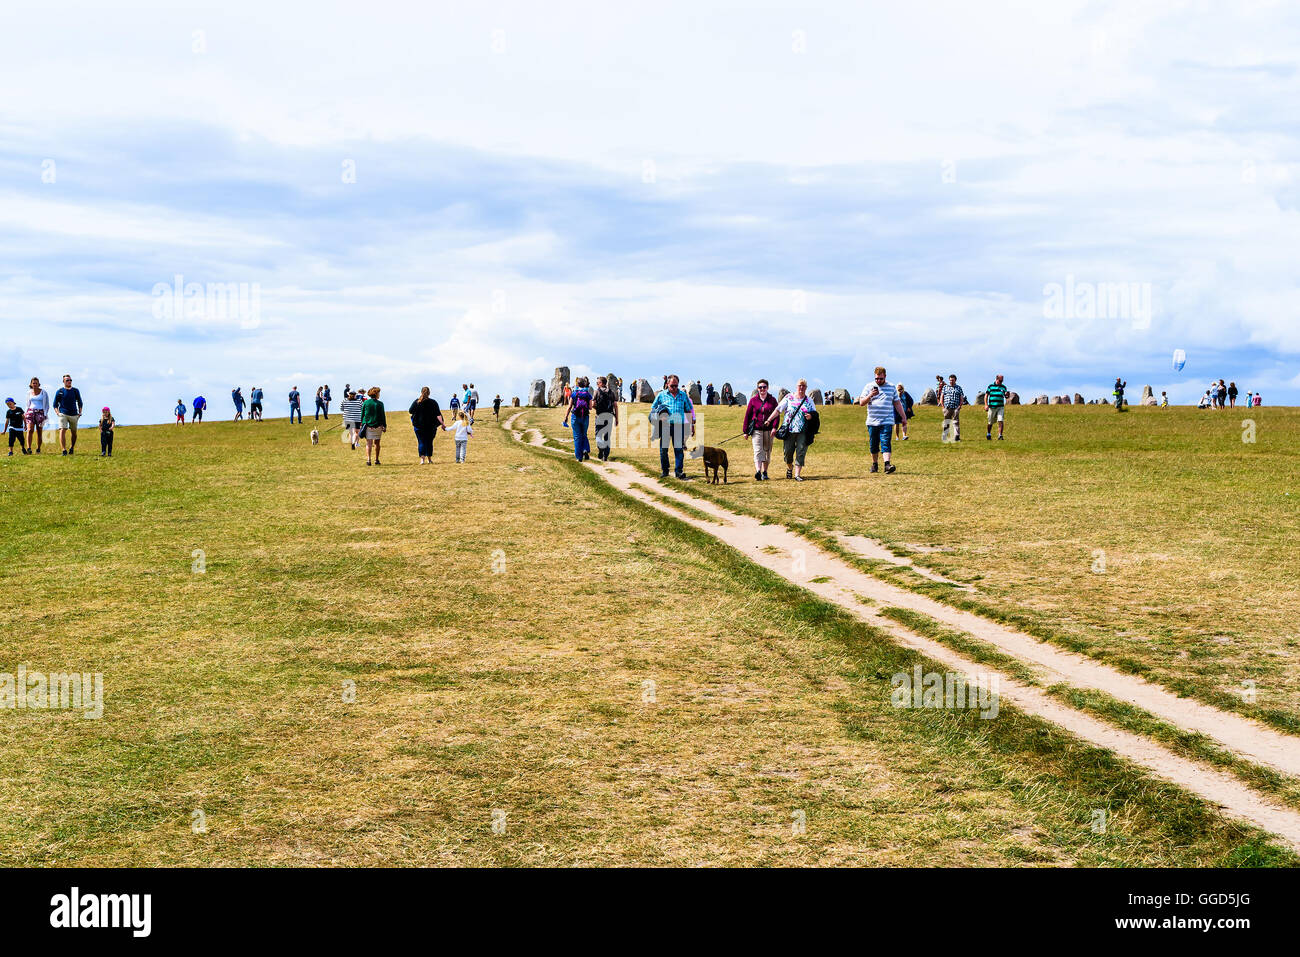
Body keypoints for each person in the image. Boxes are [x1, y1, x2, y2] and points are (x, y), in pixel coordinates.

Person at [857, 366, 907, 474]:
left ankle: (887, 465)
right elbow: (861, 403)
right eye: (876, 379)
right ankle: (874, 464)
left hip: (887, 421)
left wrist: (903, 417)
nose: (878, 381)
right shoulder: (868, 386)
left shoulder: (891, 387)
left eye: (881, 379)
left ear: (885, 376)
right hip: (872, 421)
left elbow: (897, 403)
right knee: (873, 444)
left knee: (886, 442)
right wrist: (871, 395)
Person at [766, 379, 816, 480]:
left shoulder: (809, 400)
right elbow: (778, 410)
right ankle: (790, 467)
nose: (801, 388)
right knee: (788, 452)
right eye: (799, 386)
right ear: (796, 386)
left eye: (803, 386)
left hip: (803, 431)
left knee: (801, 451)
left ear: (806, 388)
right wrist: (769, 420)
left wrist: (810, 416)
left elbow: (815, 415)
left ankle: (797, 475)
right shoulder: (789, 397)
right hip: (789, 430)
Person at [650, 374, 696, 479]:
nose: (674, 388)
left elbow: (688, 410)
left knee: (679, 450)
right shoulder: (661, 395)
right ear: (667, 384)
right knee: (663, 450)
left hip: (678, 426)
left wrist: (691, 426)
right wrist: (657, 419)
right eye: (672, 386)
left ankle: (679, 472)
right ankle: (665, 470)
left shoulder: (683, 395)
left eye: (676, 386)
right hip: (665, 426)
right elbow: (653, 408)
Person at [743, 379, 778, 480]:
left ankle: (765, 472)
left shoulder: (772, 400)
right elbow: (747, 415)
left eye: (764, 387)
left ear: (767, 388)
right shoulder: (753, 400)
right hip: (756, 430)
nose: (762, 389)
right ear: (757, 389)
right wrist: (745, 431)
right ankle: (758, 471)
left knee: (767, 452)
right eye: (760, 387)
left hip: (768, 430)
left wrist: (774, 427)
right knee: (758, 451)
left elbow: (777, 415)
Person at [409, 387, 444, 464]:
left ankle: (422, 460)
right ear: (429, 393)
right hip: (431, 427)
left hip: (419, 426)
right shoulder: (433, 402)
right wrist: (442, 424)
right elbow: (438, 414)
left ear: (421, 392)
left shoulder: (417, 401)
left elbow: (410, 411)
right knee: (429, 442)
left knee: (421, 442)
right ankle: (429, 459)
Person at [564, 376, 594, 462]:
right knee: (584, 434)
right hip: (585, 417)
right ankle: (585, 449)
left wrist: (566, 417)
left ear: (577, 384)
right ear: (585, 384)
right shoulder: (588, 394)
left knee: (577, 436)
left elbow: (569, 406)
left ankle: (579, 457)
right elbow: (590, 407)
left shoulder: (574, 394)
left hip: (575, 417)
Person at [53, 374, 83, 455]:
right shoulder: (60, 391)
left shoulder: (75, 391)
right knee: (62, 430)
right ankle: (64, 450)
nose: (69, 381)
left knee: (74, 433)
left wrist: (80, 412)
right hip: (63, 414)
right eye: (67, 380)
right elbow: (55, 404)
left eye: (70, 380)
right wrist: (57, 413)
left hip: (74, 414)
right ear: (63, 381)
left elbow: (80, 402)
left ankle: (72, 448)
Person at [591, 376, 619, 461]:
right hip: (609, 416)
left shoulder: (596, 392)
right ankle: (605, 456)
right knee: (607, 436)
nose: (597, 384)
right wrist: (617, 419)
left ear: (602, 383)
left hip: (600, 416)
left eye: (598, 382)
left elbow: (592, 404)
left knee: (598, 434)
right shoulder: (611, 392)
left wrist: (597, 410)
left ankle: (601, 448)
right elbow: (615, 406)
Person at [361, 387, 387, 465]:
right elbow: (383, 415)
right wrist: (384, 425)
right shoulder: (380, 403)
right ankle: (376, 459)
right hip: (378, 426)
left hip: (368, 425)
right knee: (377, 443)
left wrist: (362, 423)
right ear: (376, 394)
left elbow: (362, 414)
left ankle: (368, 460)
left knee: (369, 443)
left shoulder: (365, 403)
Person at [24, 378, 50, 453]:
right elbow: (27, 404)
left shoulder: (43, 392)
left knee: (39, 431)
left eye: (36, 383)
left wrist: (45, 414)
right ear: (31, 384)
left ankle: (38, 448)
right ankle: (29, 448)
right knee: (30, 430)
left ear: (39, 384)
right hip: (30, 412)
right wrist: (25, 413)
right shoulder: (29, 392)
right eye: (33, 383)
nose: (35, 384)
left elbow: (47, 405)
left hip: (40, 412)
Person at [984, 374, 1009, 441]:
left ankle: (1000, 435)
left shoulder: (1003, 387)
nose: (1001, 382)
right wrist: (986, 405)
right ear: (997, 379)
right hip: (992, 407)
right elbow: (986, 396)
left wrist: (1007, 395)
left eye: (1002, 381)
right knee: (990, 422)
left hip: (1000, 407)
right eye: (1000, 380)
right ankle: (988, 434)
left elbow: (1006, 396)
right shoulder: (990, 386)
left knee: (1000, 420)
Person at [940, 374, 965, 440]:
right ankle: (945, 435)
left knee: (956, 422)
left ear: (955, 380)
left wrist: (960, 406)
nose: (951, 381)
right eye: (950, 380)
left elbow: (961, 398)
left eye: (952, 380)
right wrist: (943, 406)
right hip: (947, 408)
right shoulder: (945, 387)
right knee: (947, 422)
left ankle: (957, 436)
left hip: (955, 408)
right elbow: (941, 397)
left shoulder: (958, 388)